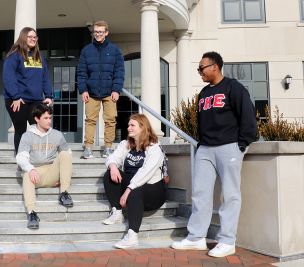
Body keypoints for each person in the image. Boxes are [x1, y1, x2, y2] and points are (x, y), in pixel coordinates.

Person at [171, 51, 257, 257]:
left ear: (214, 67)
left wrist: (242, 144)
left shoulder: (233, 87)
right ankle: (196, 238)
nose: (199, 71)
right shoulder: (203, 94)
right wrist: (201, 144)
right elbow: (202, 123)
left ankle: (228, 241)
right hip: (206, 149)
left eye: (201, 68)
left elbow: (247, 115)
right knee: (200, 194)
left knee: (229, 194)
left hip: (230, 147)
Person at [102, 113, 166, 249]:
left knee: (136, 189)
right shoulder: (126, 144)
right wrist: (113, 166)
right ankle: (117, 211)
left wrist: (127, 191)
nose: (128, 128)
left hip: (153, 191)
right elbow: (112, 158)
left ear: (143, 127)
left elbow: (145, 173)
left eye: (132, 125)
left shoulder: (154, 148)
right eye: (128, 125)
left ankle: (132, 236)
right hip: (133, 186)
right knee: (109, 174)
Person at [16, 104, 73, 229]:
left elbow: (68, 155)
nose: (49, 121)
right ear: (37, 119)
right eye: (46, 118)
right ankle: (32, 213)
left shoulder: (57, 134)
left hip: (52, 171)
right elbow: (21, 157)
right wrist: (31, 169)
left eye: (50, 118)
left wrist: (62, 175)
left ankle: (64, 193)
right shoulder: (27, 136)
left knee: (64, 154)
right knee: (26, 175)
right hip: (36, 173)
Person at [77, 20, 125, 159]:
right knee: (90, 120)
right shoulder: (86, 50)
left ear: (106, 33)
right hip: (91, 92)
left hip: (110, 92)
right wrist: (83, 90)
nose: (98, 34)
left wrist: (116, 89)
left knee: (110, 120)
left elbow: (119, 71)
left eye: (100, 32)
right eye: (96, 32)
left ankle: (108, 148)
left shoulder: (114, 50)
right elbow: (81, 72)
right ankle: (88, 148)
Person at [3, 26, 53, 154]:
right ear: (23, 38)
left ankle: (39, 156)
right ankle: (21, 158)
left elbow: (45, 77)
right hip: (18, 100)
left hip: (36, 99)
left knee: (39, 128)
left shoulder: (39, 56)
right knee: (20, 129)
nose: (33, 39)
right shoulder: (15, 55)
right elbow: (9, 77)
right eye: (29, 37)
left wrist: (48, 95)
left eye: (35, 37)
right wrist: (15, 96)